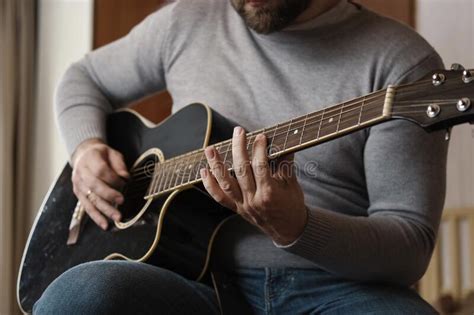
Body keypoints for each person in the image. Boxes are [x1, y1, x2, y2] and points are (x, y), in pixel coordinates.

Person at [34, 0, 448, 313]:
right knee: (74, 296)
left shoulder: (403, 65)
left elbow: (409, 246)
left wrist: (298, 227)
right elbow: (82, 78)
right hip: (194, 281)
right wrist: (86, 147)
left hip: (337, 288)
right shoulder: (189, 20)